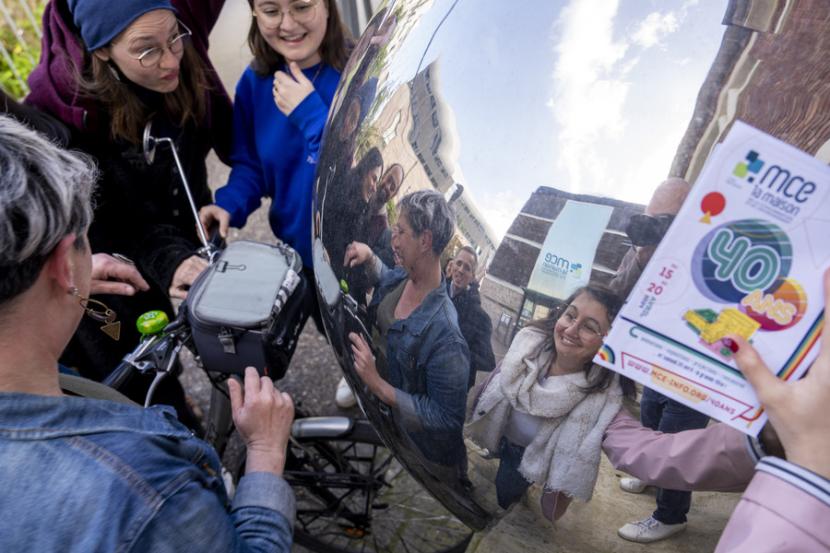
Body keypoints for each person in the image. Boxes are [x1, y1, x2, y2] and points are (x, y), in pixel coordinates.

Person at [0, 115, 295, 552]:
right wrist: (266, 455)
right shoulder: (147, 489)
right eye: (85, 239)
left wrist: (72, 278)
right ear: (64, 264)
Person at [25, 0, 234, 422]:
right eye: (147, 50)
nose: (172, 59)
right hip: (104, 274)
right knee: (135, 369)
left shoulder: (171, 27)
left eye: (174, 37)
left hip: (178, 222)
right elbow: (118, 223)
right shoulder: (66, 120)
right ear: (101, 50)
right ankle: (175, 439)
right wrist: (171, 259)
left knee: (170, 327)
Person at [199, 0, 351, 336]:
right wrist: (228, 204)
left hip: (355, 253)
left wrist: (311, 116)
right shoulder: (254, 84)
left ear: (327, 5)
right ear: (254, 14)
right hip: (302, 255)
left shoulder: (357, 70)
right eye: (271, 11)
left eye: (301, 7)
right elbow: (250, 166)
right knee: (332, 330)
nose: (287, 24)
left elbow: (356, 168)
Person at [467, 285, 629, 519]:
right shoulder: (529, 346)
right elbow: (496, 378)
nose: (572, 329)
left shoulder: (603, 396)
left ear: (607, 343)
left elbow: (634, 443)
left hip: (524, 460)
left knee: (503, 498)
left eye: (589, 327)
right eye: (570, 315)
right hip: (497, 428)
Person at [610, 178, 711, 544]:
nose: (655, 227)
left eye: (667, 221)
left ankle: (671, 514)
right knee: (650, 415)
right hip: (656, 360)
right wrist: (642, 258)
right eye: (651, 217)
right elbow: (616, 295)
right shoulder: (639, 249)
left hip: (695, 364)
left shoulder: (706, 249)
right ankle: (651, 476)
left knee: (677, 438)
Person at [345, 190, 471, 478]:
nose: (393, 238)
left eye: (400, 231)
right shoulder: (407, 274)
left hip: (411, 445)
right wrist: (369, 257)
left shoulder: (447, 337)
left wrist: (378, 385)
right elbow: (388, 279)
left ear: (425, 240)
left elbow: (447, 418)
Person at [446, 246, 495, 389]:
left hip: (452, 386)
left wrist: (456, 353)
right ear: (452, 264)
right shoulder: (436, 291)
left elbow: (488, 361)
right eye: (459, 263)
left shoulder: (480, 318)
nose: (461, 270)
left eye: (467, 268)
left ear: (473, 276)